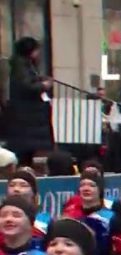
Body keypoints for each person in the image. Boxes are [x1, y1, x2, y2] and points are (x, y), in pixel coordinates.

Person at [5, 37, 53, 166]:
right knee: (23, 150)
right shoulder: (21, 65)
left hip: (28, 116)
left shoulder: (26, 65)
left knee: (27, 150)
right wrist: (44, 85)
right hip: (26, 115)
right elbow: (27, 86)